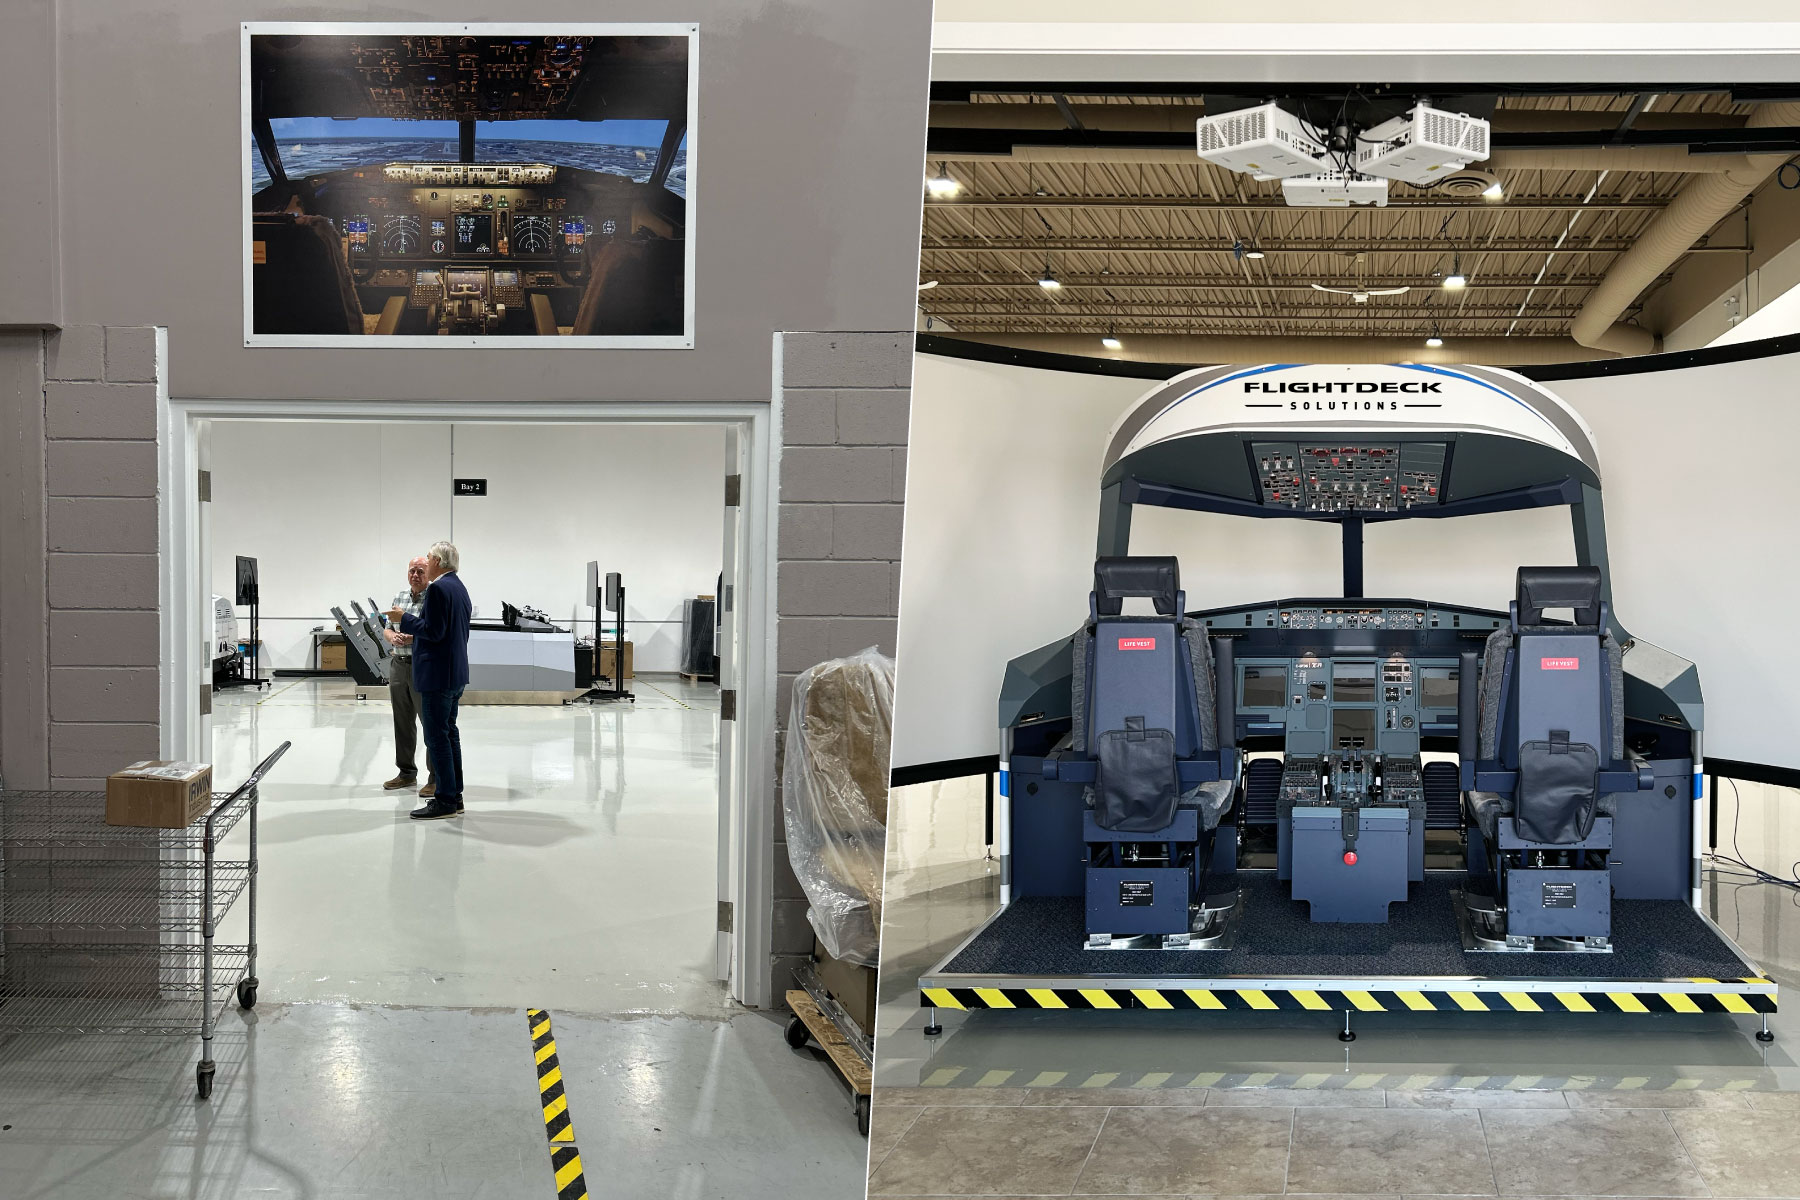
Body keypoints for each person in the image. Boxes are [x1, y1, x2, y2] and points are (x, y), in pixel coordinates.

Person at [390, 541, 471, 820]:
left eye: (428, 558)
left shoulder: (437, 588)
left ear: (437, 560)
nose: (426, 562)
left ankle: (446, 800)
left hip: (437, 675)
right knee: (449, 735)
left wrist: (405, 619)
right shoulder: (459, 587)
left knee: (437, 737)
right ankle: (455, 794)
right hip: (454, 673)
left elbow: (434, 632)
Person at [382, 556, 437, 798]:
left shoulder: (434, 598)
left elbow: (434, 631)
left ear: (429, 574)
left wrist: (413, 638)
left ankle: (435, 777)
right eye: (412, 571)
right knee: (402, 722)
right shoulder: (400, 597)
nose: (415, 575)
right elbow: (386, 627)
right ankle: (406, 773)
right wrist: (391, 637)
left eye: (420, 571)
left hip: (421, 666)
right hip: (398, 664)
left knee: (429, 723)